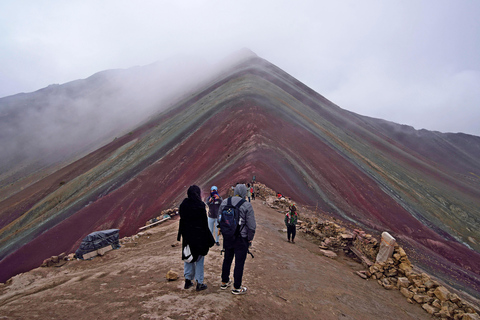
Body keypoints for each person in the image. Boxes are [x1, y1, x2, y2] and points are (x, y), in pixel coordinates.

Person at [218, 183, 256, 295]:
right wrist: (250, 239)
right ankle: (236, 287)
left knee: (227, 259)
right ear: (244, 192)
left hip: (228, 237)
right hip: (241, 238)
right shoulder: (246, 205)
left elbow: (219, 219)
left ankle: (224, 282)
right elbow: (252, 226)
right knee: (239, 262)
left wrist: (224, 232)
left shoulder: (225, 202)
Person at [177, 185, 215, 291]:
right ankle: (199, 282)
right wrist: (209, 239)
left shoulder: (184, 204)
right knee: (199, 259)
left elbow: (182, 219)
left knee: (188, 257)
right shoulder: (200, 205)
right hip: (199, 237)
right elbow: (204, 223)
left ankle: (188, 281)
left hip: (187, 236)